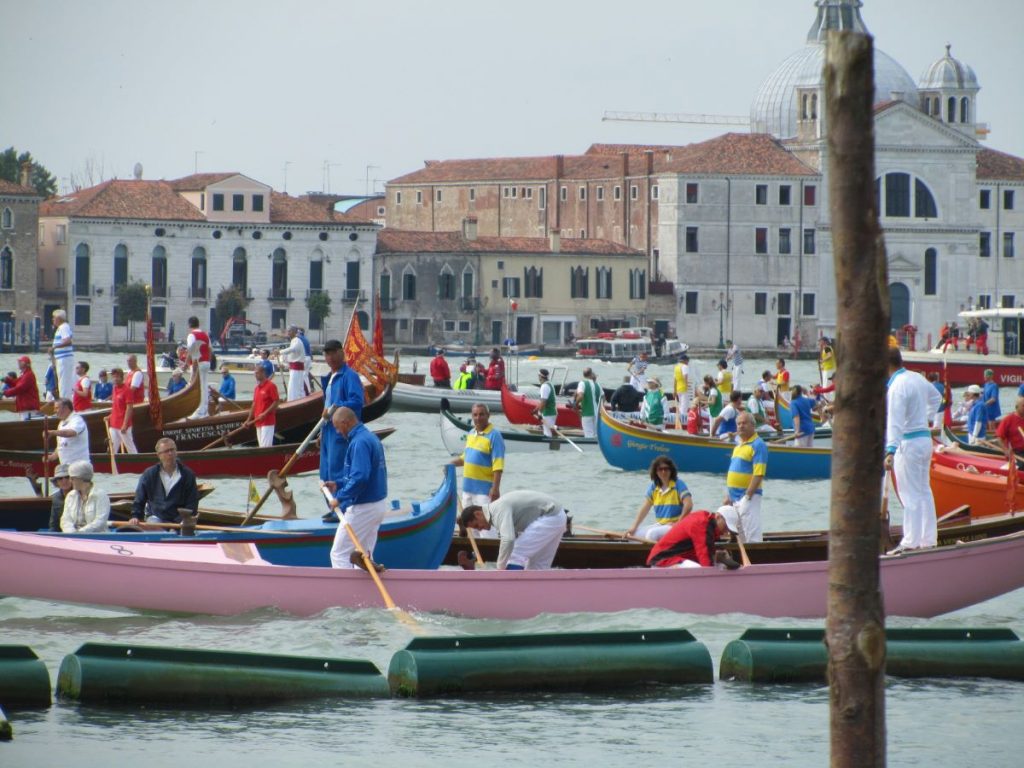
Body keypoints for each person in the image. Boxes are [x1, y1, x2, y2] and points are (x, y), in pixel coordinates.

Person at [885, 347, 942, 554]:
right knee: (923, 491)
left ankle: (910, 542)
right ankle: (928, 539)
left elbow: (895, 421)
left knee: (909, 494)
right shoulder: (916, 378)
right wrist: (924, 418)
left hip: (908, 443)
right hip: (924, 440)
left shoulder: (897, 387)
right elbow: (937, 398)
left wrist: (890, 450)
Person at [323, 407, 389, 569]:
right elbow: (362, 474)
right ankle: (365, 593)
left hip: (363, 507)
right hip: (377, 506)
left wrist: (339, 498)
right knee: (363, 557)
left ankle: (344, 593)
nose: (338, 432)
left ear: (346, 423)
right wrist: (338, 483)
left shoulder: (359, 443)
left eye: (338, 427)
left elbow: (360, 478)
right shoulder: (370, 437)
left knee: (339, 553)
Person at [460, 490, 567, 570]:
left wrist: (500, 568)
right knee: (538, 566)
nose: (479, 529)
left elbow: (508, 540)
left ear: (478, 514)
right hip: (558, 516)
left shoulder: (497, 510)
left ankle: (507, 589)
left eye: (476, 525)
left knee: (515, 554)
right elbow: (513, 537)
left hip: (550, 516)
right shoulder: (497, 512)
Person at [319, 338, 365, 499]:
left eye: (333, 353)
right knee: (326, 471)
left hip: (341, 431)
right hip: (327, 431)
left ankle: (342, 505)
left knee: (339, 470)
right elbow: (326, 404)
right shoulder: (330, 377)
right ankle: (332, 507)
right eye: (327, 354)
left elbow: (357, 402)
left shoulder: (349, 376)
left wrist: (335, 409)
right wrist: (321, 432)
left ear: (342, 353)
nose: (330, 357)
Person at [128, 438, 200, 525]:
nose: (170, 453)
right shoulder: (149, 474)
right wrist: (135, 516)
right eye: (166, 451)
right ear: (159, 455)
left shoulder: (188, 474)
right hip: (156, 519)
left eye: (172, 450)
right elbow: (139, 499)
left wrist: (179, 521)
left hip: (180, 520)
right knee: (154, 525)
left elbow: (192, 503)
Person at [646, 506, 741, 568]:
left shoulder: (707, 522)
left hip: (675, 558)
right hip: (661, 560)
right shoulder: (702, 525)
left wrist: (716, 556)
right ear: (718, 517)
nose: (727, 531)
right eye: (726, 527)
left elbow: (700, 552)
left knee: (720, 566)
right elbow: (705, 562)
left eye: (729, 529)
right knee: (698, 569)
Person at [449, 403, 505, 508]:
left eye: (481, 414)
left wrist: (495, 489)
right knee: (468, 523)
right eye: (475, 415)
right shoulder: (471, 433)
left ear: (488, 415)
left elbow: (498, 465)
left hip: (484, 493)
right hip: (467, 490)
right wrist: (451, 464)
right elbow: (465, 458)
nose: (478, 418)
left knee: (484, 523)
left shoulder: (495, 435)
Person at [723, 412, 768, 542]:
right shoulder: (738, 446)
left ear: (753, 425)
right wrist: (728, 496)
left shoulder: (758, 445)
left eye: (744, 423)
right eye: (738, 424)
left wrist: (747, 496)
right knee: (739, 536)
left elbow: (759, 473)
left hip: (748, 497)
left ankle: (756, 560)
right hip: (734, 497)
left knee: (752, 535)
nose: (741, 426)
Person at [626, 456, 693, 542]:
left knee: (651, 534)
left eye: (666, 469)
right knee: (633, 534)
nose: (663, 471)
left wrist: (678, 523)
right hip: (661, 524)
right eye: (660, 469)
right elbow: (644, 509)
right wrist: (633, 527)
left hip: (676, 525)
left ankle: (655, 554)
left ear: (671, 470)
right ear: (656, 472)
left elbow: (689, 505)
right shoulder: (654, 487)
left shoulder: (678, 484)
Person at [59, 461, 110, 533]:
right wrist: (71, 533)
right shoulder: (70, 496)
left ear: (81, 478)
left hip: (97, 537)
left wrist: (81, 532)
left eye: (72, 478)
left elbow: (100, 521)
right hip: (73, 537)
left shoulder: (100, 495)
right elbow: (65, 519)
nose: (70, 481)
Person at [245, 360, 280, 448]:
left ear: (263, 373)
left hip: (267, 421)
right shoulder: (256, 388)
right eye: (255, 373)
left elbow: (276, 401)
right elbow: (254, 404)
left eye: (257, 373)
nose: (255, 375)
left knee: (265, 447)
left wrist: (265, 413)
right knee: (261, 447)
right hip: (258, 422)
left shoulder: (271, 386)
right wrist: (248, 420)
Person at [45, 398, 90, 467]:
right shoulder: (61, 423)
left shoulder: (77, 420)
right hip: (66, 467)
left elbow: (71, 433)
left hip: (80, 466)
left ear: (66, 408)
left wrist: (53, 432)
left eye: (57, 408)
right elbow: (61, 445)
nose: (54, 411)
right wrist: (52, 457)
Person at [186, 315, 212, 417]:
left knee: (197, 386)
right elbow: (209, 349)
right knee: (204, 386)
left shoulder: (191, 335)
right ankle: (204, 410)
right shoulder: (206, 335)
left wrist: (186, 363)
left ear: (189, 325)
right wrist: (208, 361)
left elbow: (191, 350)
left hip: (197, 363)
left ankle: (199, 411)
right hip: (206, 363)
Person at [108, 368, 137, 453]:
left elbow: (129, 408)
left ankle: (137, 463)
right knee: (112, 448)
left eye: (117, 377)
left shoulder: (127, 390)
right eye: (113, 377)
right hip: (113, 424)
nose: (115, 379)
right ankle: (112, 465)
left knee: (130, 447)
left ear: (122, 377)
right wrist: (110, 416)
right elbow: (116, 406)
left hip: (123, 424)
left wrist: (124, 424)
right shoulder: (114, 388)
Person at [3, 355, 40, 420]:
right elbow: (16, 383)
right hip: (25, 408)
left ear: (26, 364)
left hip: (29, 408)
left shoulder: (28, 375)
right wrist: (7, 380)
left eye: (21, 361)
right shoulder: (24, 374)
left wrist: (5, 393)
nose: (18, 363)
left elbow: (19, 388)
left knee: (27, 427)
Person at [51, 308, 75, 400]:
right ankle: (63, 402)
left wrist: (54, 347)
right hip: (61, 359)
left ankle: (64, 404)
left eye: (54, 318)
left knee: (64, 384)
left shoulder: (63, 327)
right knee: (62, 383)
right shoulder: (61, 328)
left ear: (59, 318)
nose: (53, 320)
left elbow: (68, 341)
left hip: (64, 359)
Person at [279, 325, 307, 401]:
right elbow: (291, 357)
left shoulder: (297, 341)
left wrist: (279, 352)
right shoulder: (293, 341)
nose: (288, 332)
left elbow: (292, 349)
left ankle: (293, 402)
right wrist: (284, 365)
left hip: (296, 370)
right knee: (297, 387)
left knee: (293, 388)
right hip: (294, 369)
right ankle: (299, 400)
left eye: (289, 331)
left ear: (294, 332)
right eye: (287, 331)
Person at [573, 367, 602, 438]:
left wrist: (575, 404)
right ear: (591, 374)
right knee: (596, 435)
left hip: (587, 413)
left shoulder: (582, 383)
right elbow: (603, 398)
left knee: (588, 435)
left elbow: (580, 396)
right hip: (597, 414)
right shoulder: (598, 385)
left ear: (584, 375)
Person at [532, 368, 558, 438]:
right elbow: (542, 401)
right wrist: (535, 410)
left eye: (538, 375)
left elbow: (543, 402)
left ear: (540, 376)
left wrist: (539, 413)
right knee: (549, 431)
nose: (538, 377)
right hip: (552, 412)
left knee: (548, 433)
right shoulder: (549, 384)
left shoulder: (544, 386)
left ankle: (551, 446)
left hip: (548, 413)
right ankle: (553, 441)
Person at [48, 463, 73, 531]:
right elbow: (53, 524)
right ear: (56, 482)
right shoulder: (55, 498)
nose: (64, 481)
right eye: (60, 478)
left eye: (67, 477)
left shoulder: (81, 494)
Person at [673, 352, 693, 430]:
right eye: (687, 361)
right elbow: (685, 377)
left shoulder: (676, 367)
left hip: (678, 389)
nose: (688, 363)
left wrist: (674, 390)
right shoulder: (685, 366)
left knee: (681, 405)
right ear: (685, 360)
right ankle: (683, 423)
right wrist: (688, 387)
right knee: (684, 407)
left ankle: (680, 420)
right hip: (684, 389)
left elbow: (675, 380)